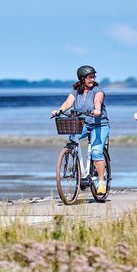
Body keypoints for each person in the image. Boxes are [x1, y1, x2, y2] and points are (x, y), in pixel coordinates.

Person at [52, 65, 110, 195]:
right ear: (82, 79)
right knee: (72, 138)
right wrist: (59, 111)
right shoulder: (75, 92)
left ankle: (101, 182)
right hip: (82, 123)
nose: (93, 79)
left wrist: (97, 111)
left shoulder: (97, 90)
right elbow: (68, 102)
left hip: (99, 125)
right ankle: (77, 166)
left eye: (94, 77)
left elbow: (98, 102)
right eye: (90, 77)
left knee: (96, 152)